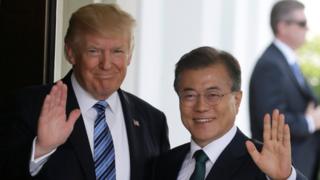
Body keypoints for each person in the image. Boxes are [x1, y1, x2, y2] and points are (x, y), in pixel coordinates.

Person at [3, 3, 170, 180]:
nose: (106, 64)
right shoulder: (27, 106)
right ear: (71, 53)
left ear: (129, 55)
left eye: (117, 51)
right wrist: (41, 150)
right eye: (94, 51)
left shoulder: (153, 121)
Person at [151, 46, 307, 180]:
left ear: (237, 100)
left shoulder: (263, 164)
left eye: (212, 95)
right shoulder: (163, 165)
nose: (201, 107)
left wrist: (285, 178)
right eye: (190, 96)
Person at [249, 0, 320, 179]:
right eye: (302, 23)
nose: (307, 29)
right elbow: (273, 121)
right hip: (282, 169)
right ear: (282, 26)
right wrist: (310, 122)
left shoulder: (286, 61)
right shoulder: (270, 65)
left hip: (298, 166)